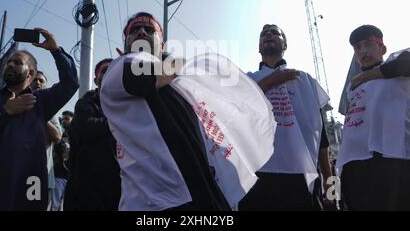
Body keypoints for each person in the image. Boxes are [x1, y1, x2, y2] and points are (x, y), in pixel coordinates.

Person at [100, 12, 230, 211]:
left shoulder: (179, 84)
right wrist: (182, 62)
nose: (142, 31)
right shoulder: (121, 66)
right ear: (125, 45)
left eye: (150, 30)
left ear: (161, 45)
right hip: (157, 202)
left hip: (200, 190)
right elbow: (154, 73)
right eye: (134, 30)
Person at [0, 28, 79, 210]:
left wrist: (56, 50)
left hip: (28, 193)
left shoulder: (41, 102)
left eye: (17, 62)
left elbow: (70, 83)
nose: (10, 65)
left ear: (30, 74)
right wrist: (5, 112)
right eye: (8, 62)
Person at [239, 24, 332, 210]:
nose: (268, 35)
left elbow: (322, 141)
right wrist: (269, 82)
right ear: (258, 46)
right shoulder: (246, 79)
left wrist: (332, 191)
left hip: (300, 178)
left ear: (285, 44)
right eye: (264, 33)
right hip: (255, 178)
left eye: (275, 32)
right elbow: (235, 112)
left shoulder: (305, 80)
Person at [337, 25, 410, 210]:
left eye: (368, 44)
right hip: (357, 168)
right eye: (358, 47)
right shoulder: (352, 86)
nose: (363, 51)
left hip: (394, 162)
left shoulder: (397, 68)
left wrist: (368, 76)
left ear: (382, 48)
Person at [64, 58, 121, 211]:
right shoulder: (85, 104)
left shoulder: (127, 105)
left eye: (114, 70)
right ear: (96, 80)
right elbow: (88, 128)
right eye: (105, 70)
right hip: (86, 192)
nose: (110, 73)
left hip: (118, 190)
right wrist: (124, 121)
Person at [30, 70, 62, 210]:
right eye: (35, 80)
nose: (37, 82)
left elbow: (57, 137)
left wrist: (41, 115)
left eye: (41, 81)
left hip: (39, 175)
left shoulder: (51, 110)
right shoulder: (15, 104)